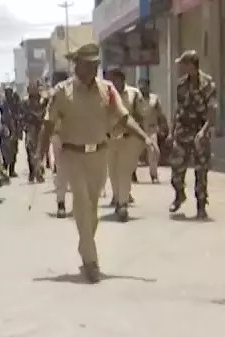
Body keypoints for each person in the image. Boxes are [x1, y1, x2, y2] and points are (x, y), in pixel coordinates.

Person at [35, 43, 156, 282]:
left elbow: (123, 118)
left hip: (99, 154)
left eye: (95, 65)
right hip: (72, 155)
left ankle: (84, 246)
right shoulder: (62, 91)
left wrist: (144, 138)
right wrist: (39, 156)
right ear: (76, 65)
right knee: (81, 203)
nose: (92, 69)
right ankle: (91, 261)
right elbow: (48, 124)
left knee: (92, 211)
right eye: (87, 64)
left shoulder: (107, 90)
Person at [169, 50, 218, 219]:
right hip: (183, 130)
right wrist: (172, 130)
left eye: (183, 64)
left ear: (191, 65)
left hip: (200, 130)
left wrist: (204, 132)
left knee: (201, 170)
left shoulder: (208, 85)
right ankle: (179, 194)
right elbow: (178, 109)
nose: (181, 67)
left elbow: (212, 111)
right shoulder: (181, 85)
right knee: (176, 167)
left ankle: (201, 205)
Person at [104, 67, 148, 221]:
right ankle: (118, 198)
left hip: (129, 139)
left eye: (116, 79)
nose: (113, 82)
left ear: (122, 80)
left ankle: (123, 204)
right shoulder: (104, 94)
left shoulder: (134, 94)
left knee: (124, 172)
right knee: (113, 171)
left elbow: (141, 116)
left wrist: (143, 138)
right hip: (110, 139)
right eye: (111, 79)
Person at [48, 70, 71, 217]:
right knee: (63, 171)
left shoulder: (69, 93)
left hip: (71, 135)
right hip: (61, 136)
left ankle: (62, 204)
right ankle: (61, 203)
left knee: (64, 172)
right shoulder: (53, 95)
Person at [138, 78, 168, 183]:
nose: (142, 88)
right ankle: (132, 174)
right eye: (140, 86)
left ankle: (153, 175)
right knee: (133, 153)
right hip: (138, 130)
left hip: (151, 130)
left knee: (154, 152)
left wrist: (164, 127)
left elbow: (161, 114)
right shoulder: (136, 99)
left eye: (144, 86)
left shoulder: (154, 99)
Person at [22, 84, 47, 182]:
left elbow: (45, 112)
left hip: (41, 128)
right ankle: (34, 172)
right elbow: (22, 115)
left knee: (40, 151)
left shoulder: (43, 101)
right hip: (30, 129)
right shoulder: (25, 102)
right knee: (31, 152)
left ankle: (38, 172)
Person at [1, 86, 23, 177]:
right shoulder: (2, 103)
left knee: (14, 151)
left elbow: (20, 115)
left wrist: (19, 130)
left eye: (9, 92)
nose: (8, 94)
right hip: (5, 129)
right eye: (7, 92)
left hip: (14, 129)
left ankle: (11, 170)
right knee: (5, 151)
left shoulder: (16, 103)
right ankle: (4, 169)